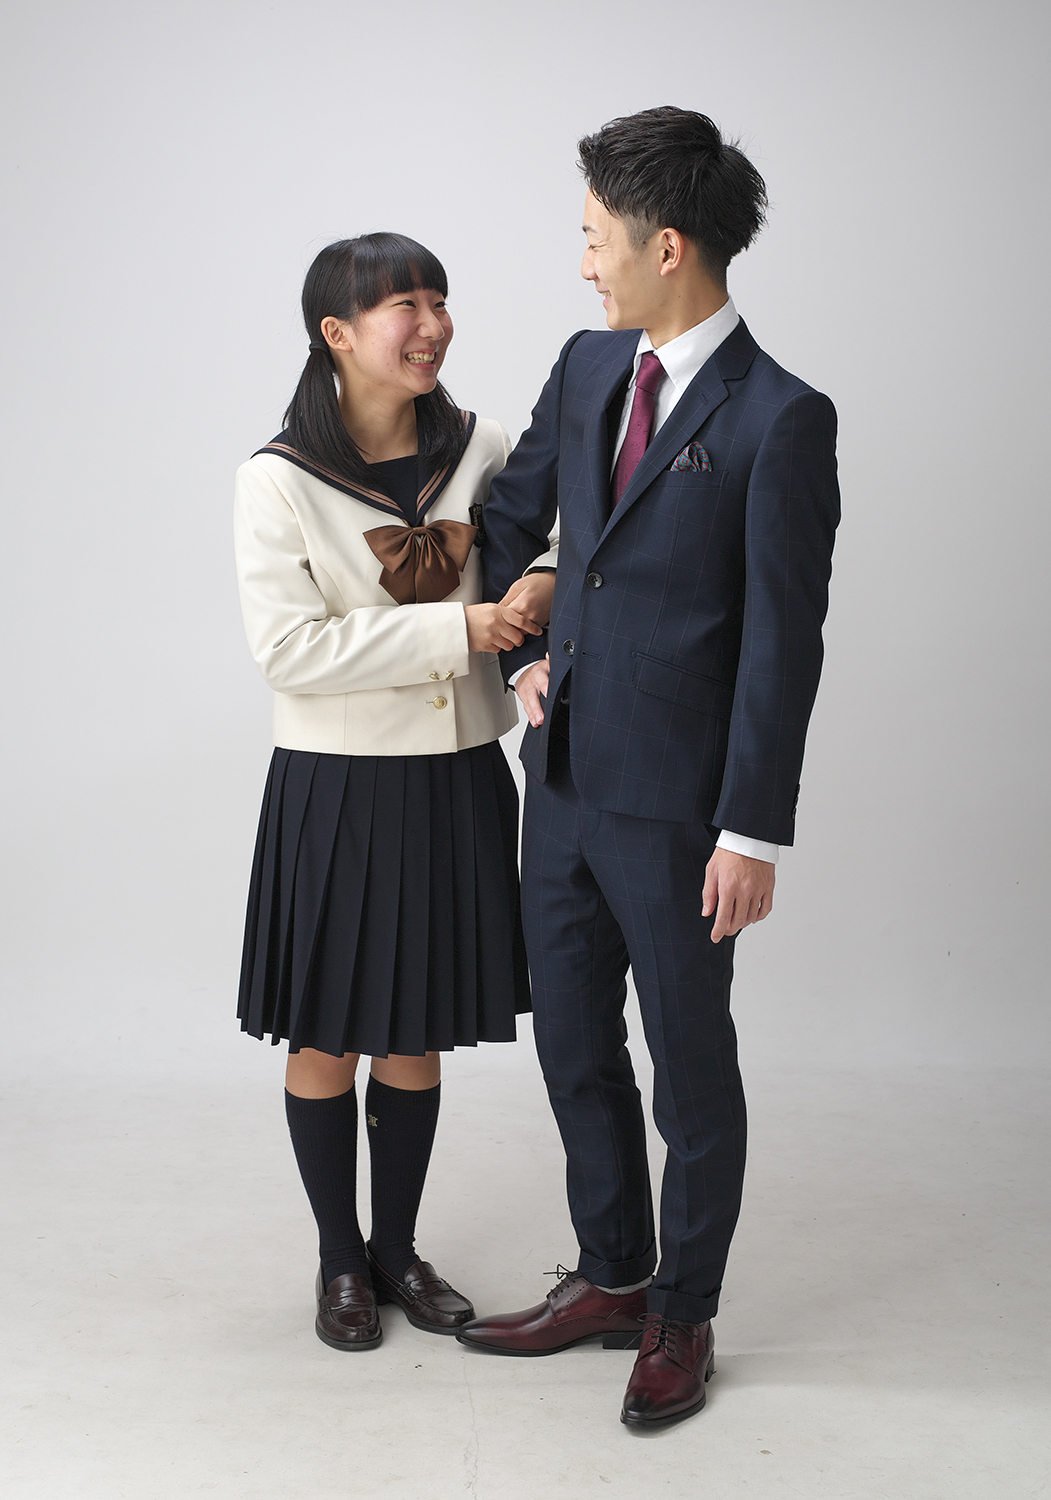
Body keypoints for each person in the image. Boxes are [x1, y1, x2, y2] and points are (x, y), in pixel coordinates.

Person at [457, 108, 840, 1430]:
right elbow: (511, 524)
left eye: (592, 238)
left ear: (663, 244)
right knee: (571, 1043)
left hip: (681, 811)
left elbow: (783, 641)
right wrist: (521, 654)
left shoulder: (779, 418)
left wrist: (751, 833)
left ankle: (683, 1313)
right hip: (560, 783)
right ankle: (613, 1273)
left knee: (688, 1067)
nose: (581, 264)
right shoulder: (584, 366)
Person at [233, 233, 551, 1352]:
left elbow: (556, 534)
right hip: (335, 785)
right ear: (336, 334)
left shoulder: (483, 445)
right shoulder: (275, 479)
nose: (431, 325)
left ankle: (397, 1250)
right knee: (328, 1034)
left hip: (456, 775)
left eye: (439, 300)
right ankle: (339, 1258)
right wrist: (461, 627)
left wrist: (537, 587)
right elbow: (289, 652)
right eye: (402, 306)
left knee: (415, 1031)